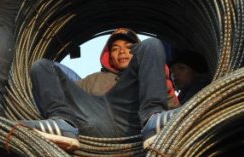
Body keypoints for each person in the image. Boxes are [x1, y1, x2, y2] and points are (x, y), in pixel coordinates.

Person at [22, 30, 180, 150]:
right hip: (93, 118)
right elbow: (66, 95)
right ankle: (63, 124)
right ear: (109, 56)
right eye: (115, 49)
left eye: (129, 47)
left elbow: (173, 108)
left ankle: (153, 120)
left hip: (132, 120)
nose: (122, 52)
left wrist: (160, 79)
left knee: (152, 44)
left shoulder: (151, 75)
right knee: (41, 66)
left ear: (138, 53)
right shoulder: (93, 79)